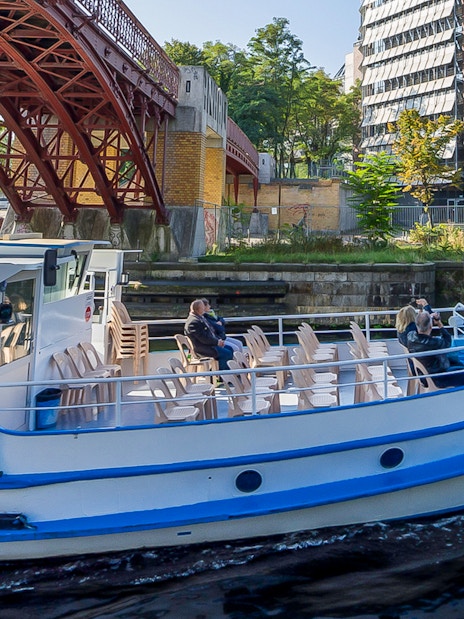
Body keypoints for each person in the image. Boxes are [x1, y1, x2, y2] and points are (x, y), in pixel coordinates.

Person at [407, 310, 464, 388]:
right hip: (438, 378)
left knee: (456, 364)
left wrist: (427, 318)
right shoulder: (434, 343)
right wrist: (439, 324)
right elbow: (448, 341)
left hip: (423, 376)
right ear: (431, 326)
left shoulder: (410, 336)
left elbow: (420, 326)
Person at [184, 299, 234, 372]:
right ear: (198, 309)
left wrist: (218, 341)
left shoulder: (200, 318)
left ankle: (218, 374)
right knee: (226, 353)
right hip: (202, 349)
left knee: (229, 348)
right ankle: (221, 378)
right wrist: (217, 342)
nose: (204, 308)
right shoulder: (194, 322)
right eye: (202, 307)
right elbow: (204, 338)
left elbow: (208, 334)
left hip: (207, 345)